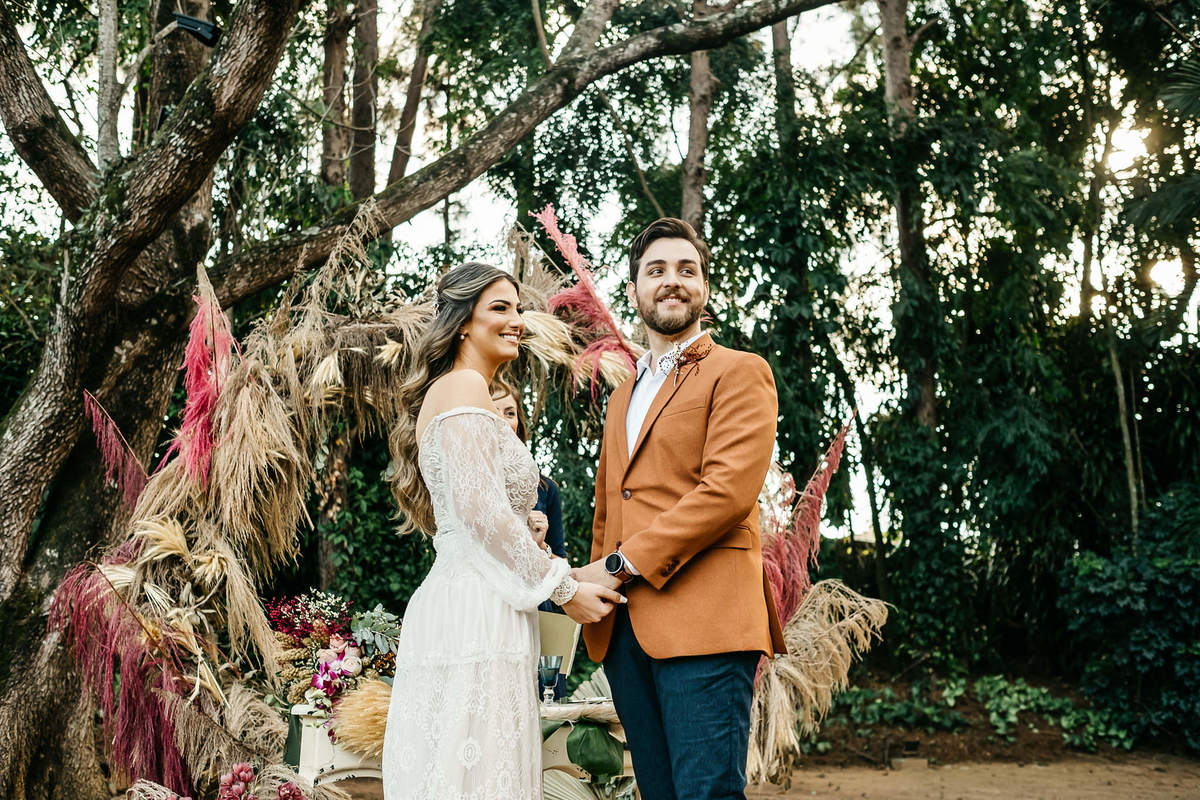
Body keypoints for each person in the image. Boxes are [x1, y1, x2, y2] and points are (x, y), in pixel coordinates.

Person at [382, 262, 625, 800]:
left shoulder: (457, 391)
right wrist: (564, 592)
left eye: (518, 308)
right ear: (463, 321)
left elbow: (489, 526)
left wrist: (582, 572)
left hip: (479, 598)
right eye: (500, 308)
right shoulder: (466, 384)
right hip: (478, 612)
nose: (517, 320)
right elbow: (481, 513)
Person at [573, 219, 788, 800]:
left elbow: (725, 495)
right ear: (635, 289)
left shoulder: (740, 371)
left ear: (706, 290)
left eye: (686, 270)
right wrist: (591, 592)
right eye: (656, 270)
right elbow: (608, 508)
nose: (672, 281)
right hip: (626, 634)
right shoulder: (623, 393)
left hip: (708, 627)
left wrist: (616, 565)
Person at [493, 386, 569, 700]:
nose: (502, 419)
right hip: (490, 603)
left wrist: (540, 546)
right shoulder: (468, 483)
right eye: (494, 410)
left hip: (538, 605)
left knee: (542, 704)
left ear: (519, 425)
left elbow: (560, 557)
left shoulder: (545, 489)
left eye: (509, 413)